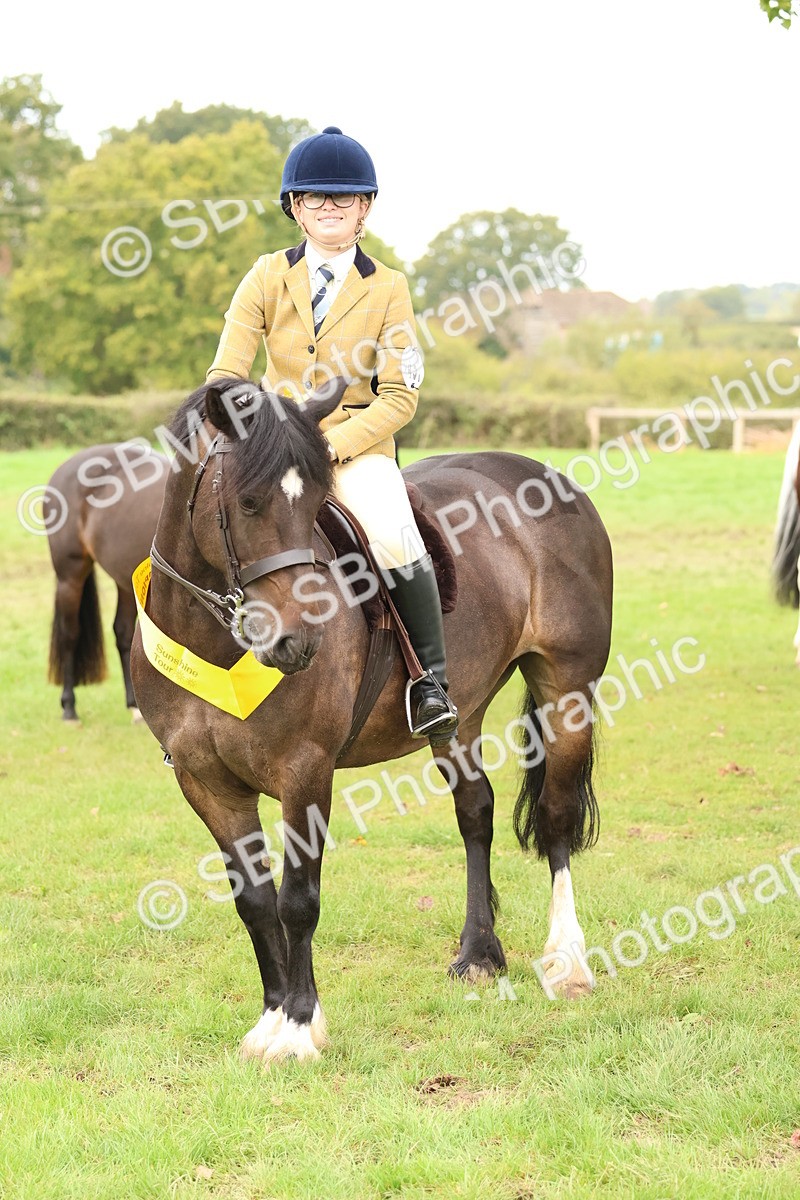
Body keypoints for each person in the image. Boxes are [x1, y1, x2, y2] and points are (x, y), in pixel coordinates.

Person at [206, 126, 458, 745]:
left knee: (398, 539)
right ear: (295, 206)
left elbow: (401, 394)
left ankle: (430, 680)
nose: (327, 207)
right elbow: (225, 375)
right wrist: (252, 432)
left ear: (365, 208)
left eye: (342, 199)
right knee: (208, 526)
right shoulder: (266, 276)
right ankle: (196, 693)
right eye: (314, 197)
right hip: (271, 448)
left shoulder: (388, 287)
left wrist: (332, 446)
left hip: (352, 449)